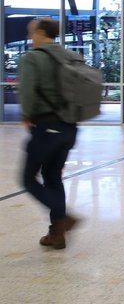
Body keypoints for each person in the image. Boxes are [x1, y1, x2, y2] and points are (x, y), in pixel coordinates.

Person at [18, 18, 81, 250]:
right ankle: (57, 234)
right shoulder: (70, 55)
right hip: (70, 127)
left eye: (31, 32)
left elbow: (27, 91)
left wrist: (26, 115)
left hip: (47, 126)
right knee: (53, 176)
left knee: (27, 178)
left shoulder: (33, 58)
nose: (30, 37)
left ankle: (65, 218)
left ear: (42, 33)